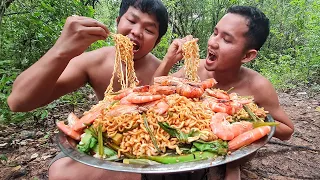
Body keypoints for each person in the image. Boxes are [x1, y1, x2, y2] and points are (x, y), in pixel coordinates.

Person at [7, 0, 168, 179]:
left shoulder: (163, 72)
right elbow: (18, 102)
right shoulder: (95, 61)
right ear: (118, 21)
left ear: (157, 41)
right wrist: (61, 50)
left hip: (149, 149)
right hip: (102, 141)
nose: (136, 32)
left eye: (149, 30)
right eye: (131, 21)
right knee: (60, 172)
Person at [153, 5, 294, 180]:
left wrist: (248, 115)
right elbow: (155, 88)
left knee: (233, 159)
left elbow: (287, 130)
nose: (212, 42)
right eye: (215, 32)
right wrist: (168, 60)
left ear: (247, 56)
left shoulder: (258, 86)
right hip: (195, 143)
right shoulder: (194, 68)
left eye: (226, 40)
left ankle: (233, 166)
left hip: (234, 149)